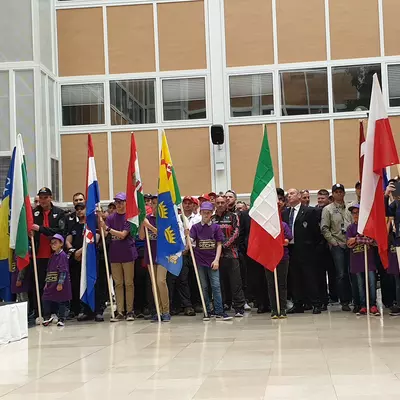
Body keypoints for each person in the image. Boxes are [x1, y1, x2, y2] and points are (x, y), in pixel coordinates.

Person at [189, 201, 232, 321]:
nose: (206, 215)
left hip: (213, 260)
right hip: (200, 261)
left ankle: (219, 311)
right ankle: (206, 310)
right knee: (204, 286)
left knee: (216, 286)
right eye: (204, 212)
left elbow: (219, 244)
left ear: (211, 213)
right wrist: (187, 237)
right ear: (200, 212)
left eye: (208, 213)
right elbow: (191, 241)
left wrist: (217, 260)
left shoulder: (216, 227)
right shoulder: (195, 227)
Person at [283, 188, 321, 314]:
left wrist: (312, 246)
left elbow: (316, 232)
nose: (289, 196)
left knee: (310, 276)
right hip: (291, 249)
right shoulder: (285, 213)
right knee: (295, 277)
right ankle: (298, 303)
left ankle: (315, 303)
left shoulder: (310, 211)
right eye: (288, 194)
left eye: (292, 193)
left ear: (299, 196)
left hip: (306, 249)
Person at [101, 192, 138, 322]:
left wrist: (108, 229)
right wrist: (101, 223)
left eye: (121, 202)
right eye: (117, 202)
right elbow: (105, 234)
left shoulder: (129, 218)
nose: (119, 204)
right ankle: (120, 311)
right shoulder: (111, 218)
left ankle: (130, 311)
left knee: (128, 283)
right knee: (118, 284)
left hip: (128, 253)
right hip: (115, 254)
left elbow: (123, 235)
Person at [31, 187, 65, 324]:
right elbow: (30, 228)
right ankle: (40, 312)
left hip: (54, 255)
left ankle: (55, 312)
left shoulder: (59, 213)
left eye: (46, 197)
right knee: (39, 284)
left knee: (54, 284)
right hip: (39, 255)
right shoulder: (34, 213)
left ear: (51, 197)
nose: (43, 200)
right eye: (41, 197)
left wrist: (40, 229)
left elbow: (59, 231)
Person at [321, 184, 353, 312]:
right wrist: (333, 242)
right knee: (341, 274)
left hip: (351, 244)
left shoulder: (350, 208)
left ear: (344, 193)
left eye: (341, 192)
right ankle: (344, 300)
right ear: (333, 194)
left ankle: (353, 298)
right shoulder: (328, 209)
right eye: (336, 192)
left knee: (352, 273)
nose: (339, 194)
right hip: (337, 245)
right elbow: (324, 228)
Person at [212, 195, 246, 317]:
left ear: (226, 203)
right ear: (215, 204)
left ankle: (239, 307)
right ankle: (224, 304)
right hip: (216, 257)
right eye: (218, 203)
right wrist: (216, 248)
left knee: (235, 282)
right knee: (220, 282)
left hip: (231, 254)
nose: (220, 205)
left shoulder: (233, 216)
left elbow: (236, 232)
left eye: (222, 202)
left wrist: (224, 245)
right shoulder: (212, 218)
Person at [139, 195, 171, 322]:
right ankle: (158, 311)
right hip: (150, 253)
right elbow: (141, 237)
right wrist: (143, 223)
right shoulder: (147, 219)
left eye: (156, 203)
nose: (154, 205)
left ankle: (166, 310)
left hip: (163, 254)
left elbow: (165, 236)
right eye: (152, 203)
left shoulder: (166, 219)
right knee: (154, 284)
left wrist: (151, 227)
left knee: (161, 281)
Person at [346, 204, 380, 316]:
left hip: (369, 260)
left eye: (357, 212)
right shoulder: (350, 228)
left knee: (371, 283)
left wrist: (356, 239)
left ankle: (373, 305)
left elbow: (371, 241)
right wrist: (360, 239)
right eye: (354, 213)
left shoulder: (368, 227)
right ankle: (363, 305)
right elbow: (349, 243)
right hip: (356, 260)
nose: (355, 215)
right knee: (360, 284)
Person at [264, 190, 293, 319]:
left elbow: (288, 239)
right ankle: (274, 309)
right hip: (269, 257)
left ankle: (282, 308)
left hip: (283, 257)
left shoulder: (284, 225)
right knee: (271, 284)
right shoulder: (266, 226)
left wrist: (280, 242)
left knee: (282, 284)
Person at [167, 196, 197, 316]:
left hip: (184, 253)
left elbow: (188, 237)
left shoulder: (184, 221)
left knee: (183, 280)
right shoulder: (171, 221)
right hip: (172, 255)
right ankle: (173, 306)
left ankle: (187, 305)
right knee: (171, 281)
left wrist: (185, 249)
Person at [42, 234, 72, 327]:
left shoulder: (62, 256)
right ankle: (47, 316)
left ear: (61, 244)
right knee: (45, 298)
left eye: (55, 243)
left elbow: (63, 270)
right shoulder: (52, 256)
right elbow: (49, 270)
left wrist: (60, 283)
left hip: (60, 282)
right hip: (51, 281)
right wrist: (47, 283)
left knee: (61, 300)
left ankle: (61, 318)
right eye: (51, 243)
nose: (53, 245)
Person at [315, 189, 338, 309]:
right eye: (318, 198)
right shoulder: (314, 211)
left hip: (332, 245)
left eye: (322, 198)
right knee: (321, 274)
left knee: (334, 272)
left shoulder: (331, 210)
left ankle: (334, 295)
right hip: (320, 248)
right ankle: (323, 297)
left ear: (328, 199)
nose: (320, 200)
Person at [65, 202, 86, 319]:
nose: (79, 211)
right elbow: (68, 240)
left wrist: (81, 251)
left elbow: (92, 239)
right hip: (75, 259)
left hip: (86, 258)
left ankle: (85, 308)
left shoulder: (89, 225)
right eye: (77, 209)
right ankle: (75, 309)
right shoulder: (74, 226)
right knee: (75, 284)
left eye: (82, 209)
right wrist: (73, 250)